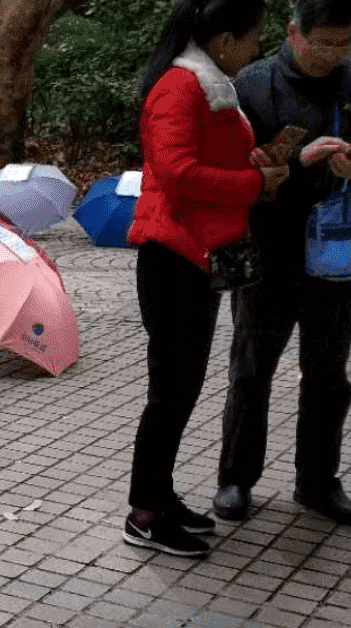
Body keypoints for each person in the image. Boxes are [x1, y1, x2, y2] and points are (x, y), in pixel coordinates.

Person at [122, 0, 288, 558]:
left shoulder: (211, 84)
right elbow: (175, 172)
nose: (256, 48)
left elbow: (212, 155)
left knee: (183, 386)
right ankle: (143, 515)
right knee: (170, 393)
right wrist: (252, 184)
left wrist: (260, 160)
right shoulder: (181, 86)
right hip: (172, 255)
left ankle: (161, 498)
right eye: (252, 38)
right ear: (221, 40)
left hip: (197, 253)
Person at [213, 0, 351, 525]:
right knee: (251, 369)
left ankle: (317, 481)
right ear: (295, 33)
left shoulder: (350, 79)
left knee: (329, 376)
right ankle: (234, 479)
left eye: (346, 45)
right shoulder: (251, 85)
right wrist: (299, 161)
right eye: (326, 44)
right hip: (270, 252)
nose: (335, 55)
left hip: (337, 259)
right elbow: (234, 171)